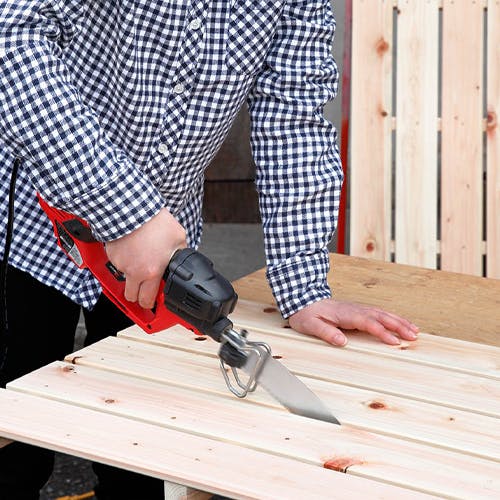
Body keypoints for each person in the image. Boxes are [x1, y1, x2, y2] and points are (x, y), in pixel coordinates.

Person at [0, 1, 419, 499]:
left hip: (162, 251)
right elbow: (10, 38)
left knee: (141, 455)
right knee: (11, 455)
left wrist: (304, 286)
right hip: (27, 225)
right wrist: (122, 209)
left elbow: (293, 118)